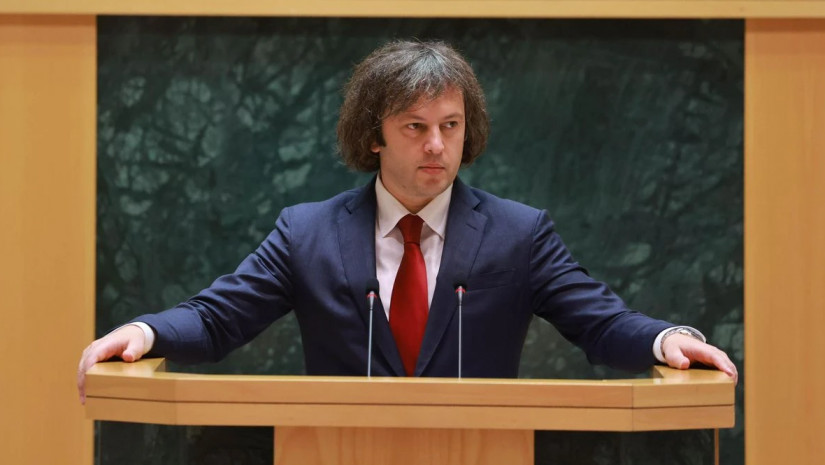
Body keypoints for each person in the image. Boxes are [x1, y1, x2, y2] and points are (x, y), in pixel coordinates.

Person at [77, 40, 737, 403]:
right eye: (415, 127)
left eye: (451, 125)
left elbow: (600, 322)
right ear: (374, 135)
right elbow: (219, 318)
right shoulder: (307, 233)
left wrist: (667, 339)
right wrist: (144, 331)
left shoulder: (520, 233)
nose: (436, 145)